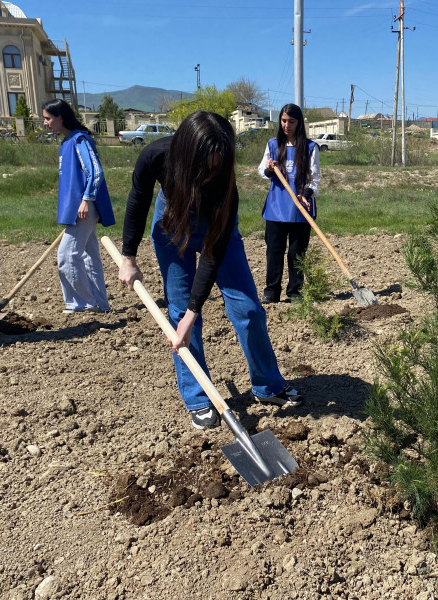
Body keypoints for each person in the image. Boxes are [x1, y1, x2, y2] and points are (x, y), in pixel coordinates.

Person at [117, 111, 303, 431]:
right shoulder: (156, 156)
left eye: (217, 167)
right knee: (180, 315)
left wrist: (194, 310)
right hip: (171, 226)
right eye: (204, 167)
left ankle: (267, 385)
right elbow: (138, 199)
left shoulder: (225, 188)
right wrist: (129, 256)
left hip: (217, 230)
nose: (209, 176)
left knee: (249, 309)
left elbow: (213, 254)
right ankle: (198, 396)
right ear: (187, 155)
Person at [42, 98, 115, 314]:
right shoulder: (67, 142)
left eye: (48, 118)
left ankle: (82, 303)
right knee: (88, 256)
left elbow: (95, 172)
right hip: (78, 207)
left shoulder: (80, 140)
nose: (45, 123)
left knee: (67, 255)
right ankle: (100, 303)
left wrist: (86, 200)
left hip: (84, 207)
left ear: (61, 117)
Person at [257, 103, 321, 303]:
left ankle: (295, 291)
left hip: (300, 208)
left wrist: (307, 192)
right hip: (276, 207)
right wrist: (268, 168)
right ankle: (271, 291)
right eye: (284, 121)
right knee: (274, 251)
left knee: (296, 253)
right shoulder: (273, 145)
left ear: (299, 123)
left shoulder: (310, 147)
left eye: (291, 121)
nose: (287, 125)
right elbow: (262, 171)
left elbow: (315, 178)